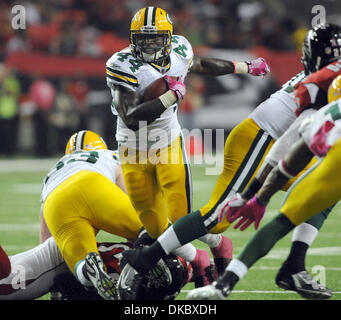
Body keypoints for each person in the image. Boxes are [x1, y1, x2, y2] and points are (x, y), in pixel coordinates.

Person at [118, 23, 341, 299]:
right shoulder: (324, 82)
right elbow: (291, 138)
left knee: (322, 190)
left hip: (276, 142)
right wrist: (255, 191)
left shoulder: (326, 78)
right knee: (217, 216)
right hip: (260, 139)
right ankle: (144, 259)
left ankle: (294, 265)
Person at [106, 6, 269, 285]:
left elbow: (201, 65)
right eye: (143, 39)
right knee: (155, 226)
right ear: (133, 39)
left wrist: (244, 67)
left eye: (156, 39)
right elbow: (131, 118)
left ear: (169, 38)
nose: (149, 45)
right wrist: (172, 96)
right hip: (131, 147)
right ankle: (199, 259)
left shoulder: (180, 48)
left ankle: (218, 244)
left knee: (181, 216)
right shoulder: (120, 64)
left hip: (167, 141)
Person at [186, 74, 341, 300]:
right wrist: (257, 198)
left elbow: (286, 164)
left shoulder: (320, 114)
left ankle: (224, 285)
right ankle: (291, 266)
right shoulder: (319, 112)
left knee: (282, 221)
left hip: (326, 162)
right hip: (327, 165)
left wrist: (258, 198)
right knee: (298, 211)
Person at [41, 129, 144, 300]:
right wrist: (138, 245)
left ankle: (86, 271)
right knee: (152, 232)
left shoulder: (54, 170)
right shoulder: (108, 156)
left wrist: (53, 287)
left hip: (55, 200)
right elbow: (131, 202)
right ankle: (195, 262)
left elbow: (47, 243)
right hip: (93, 185)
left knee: (81, 263)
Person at [0, 233, 192, 300]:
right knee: (4, 286)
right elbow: (67, 283)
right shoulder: (128, 274)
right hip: (62, 258)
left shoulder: (179, 265)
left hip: (76, 252)